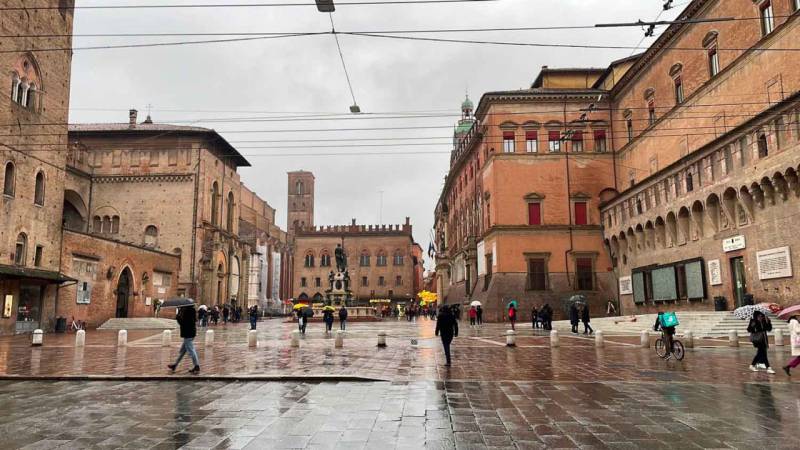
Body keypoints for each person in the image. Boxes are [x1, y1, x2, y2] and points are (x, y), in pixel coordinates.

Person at [168, 305, 200, 374]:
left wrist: (178, 318)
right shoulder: (191, 310)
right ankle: (175, 365)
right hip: (190, 333)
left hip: (188, 334)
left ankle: (196, 366)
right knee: (182, 351)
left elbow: (184, 323)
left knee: (191, 350)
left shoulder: (187, 311)